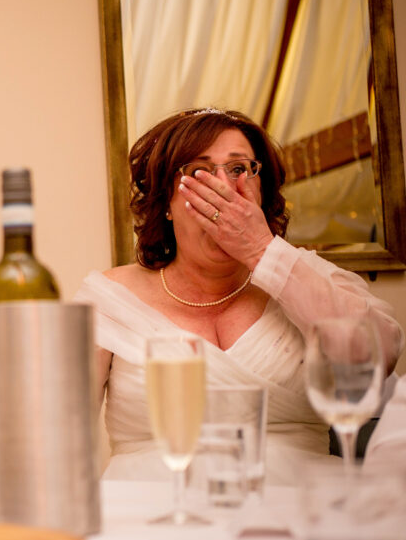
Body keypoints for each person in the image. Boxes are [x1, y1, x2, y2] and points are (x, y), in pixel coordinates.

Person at [74, 108, 404, 484]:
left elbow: (379, 355)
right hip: (147, 516)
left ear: (260, 193)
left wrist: (263, 252)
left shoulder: (309, 277)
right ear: (165, 202)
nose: (224, 189)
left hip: (300, 514)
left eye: (238, 170)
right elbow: (59, 431)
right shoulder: (109, 298)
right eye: (199, 171)